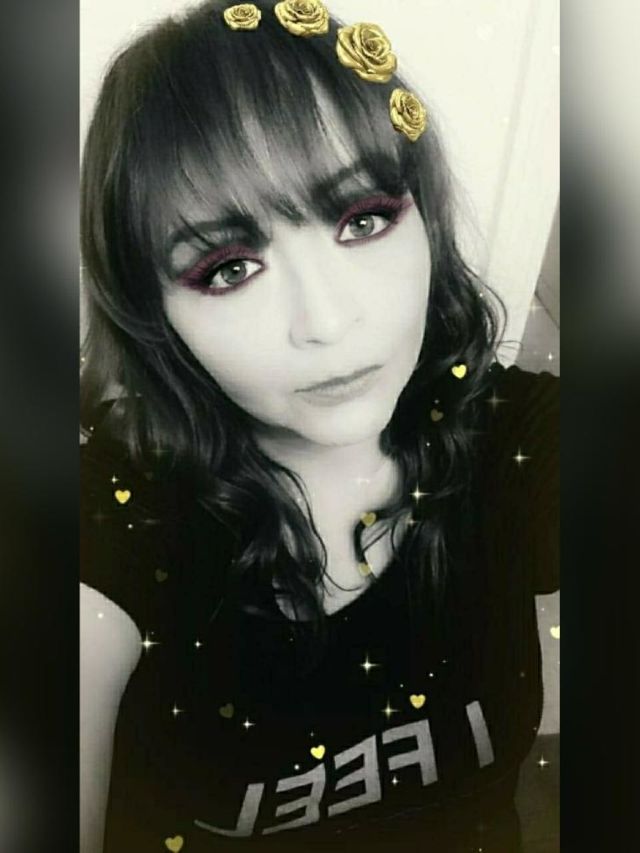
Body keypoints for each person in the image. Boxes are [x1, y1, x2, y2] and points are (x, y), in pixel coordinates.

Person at [79, 1, 559, 851]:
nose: (328, 322)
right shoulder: (111, 510)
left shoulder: (512, 436)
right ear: (154, 312)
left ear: (425, 217)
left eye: (362, 219)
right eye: (229, 268)